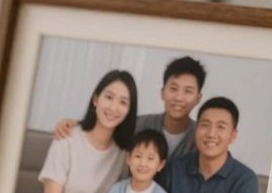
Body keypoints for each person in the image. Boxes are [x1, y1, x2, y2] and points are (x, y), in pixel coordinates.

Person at [28, 70, 137, 193]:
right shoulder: (66, 136)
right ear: (96, 100)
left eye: (123, 102)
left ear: (129, 111)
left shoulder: (124, 154)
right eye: (109, 97)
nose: (114, 107)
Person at [52, 55, 205, 161]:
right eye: (173, 88)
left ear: (198, 98)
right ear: (162, 92)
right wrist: (74, 123)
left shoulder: (201, 138)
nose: (178, 97)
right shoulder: (139, 125)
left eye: (188, 91)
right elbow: (106, 123)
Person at [157, 96, 258, 193]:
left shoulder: (245, 180)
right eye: (205, 125)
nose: (211, 133)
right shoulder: (173, 168)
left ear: (233, 135)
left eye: (221, 127)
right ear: (196, 129)